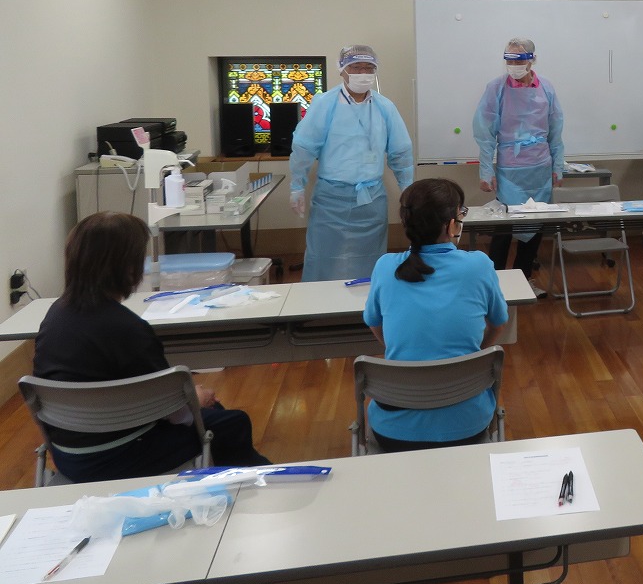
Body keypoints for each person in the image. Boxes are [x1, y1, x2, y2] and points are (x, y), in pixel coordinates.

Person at [32, 212, 271, 483]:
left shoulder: (54, 317)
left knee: (216, 418)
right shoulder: (128, 329)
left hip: (69, 457)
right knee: (232, 422)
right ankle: (260, 483)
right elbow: (176, 413)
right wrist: (195, 397)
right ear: (128, 268)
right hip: (125, 456)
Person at [362, 179, 509, 450]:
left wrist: (402, 351)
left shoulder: (385, 267)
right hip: (468, 425)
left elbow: (374, 324)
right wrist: (475, 357)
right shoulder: (479, 265)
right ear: (452, 225)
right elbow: (499, 324)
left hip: (393, 431)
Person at [289, 44, 414, 282]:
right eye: (356, 67)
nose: (363, 73)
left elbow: (401, 152)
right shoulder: (325, 104)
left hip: (371, 199)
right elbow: (304, 147)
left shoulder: (384, 107)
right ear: (342, 70)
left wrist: (407, 188)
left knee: (371, 257)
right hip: (330, 200)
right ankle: (319, 301)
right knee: (323, 256)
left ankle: (367, 300)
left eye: (369, 68)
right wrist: (297, 186)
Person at [473, 38, 564, 278]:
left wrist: (558, 166)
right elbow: (484, 133)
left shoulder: (546, 88)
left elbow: (555, 131)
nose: (513, 66)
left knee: (535, 227)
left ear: (532, 59)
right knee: (504, 229)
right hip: (510, 170)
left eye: (519, 60)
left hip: (540, 168)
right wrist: (486, 171)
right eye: (509, 60)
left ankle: (524, 278)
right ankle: (495, 282)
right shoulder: (496, 88)